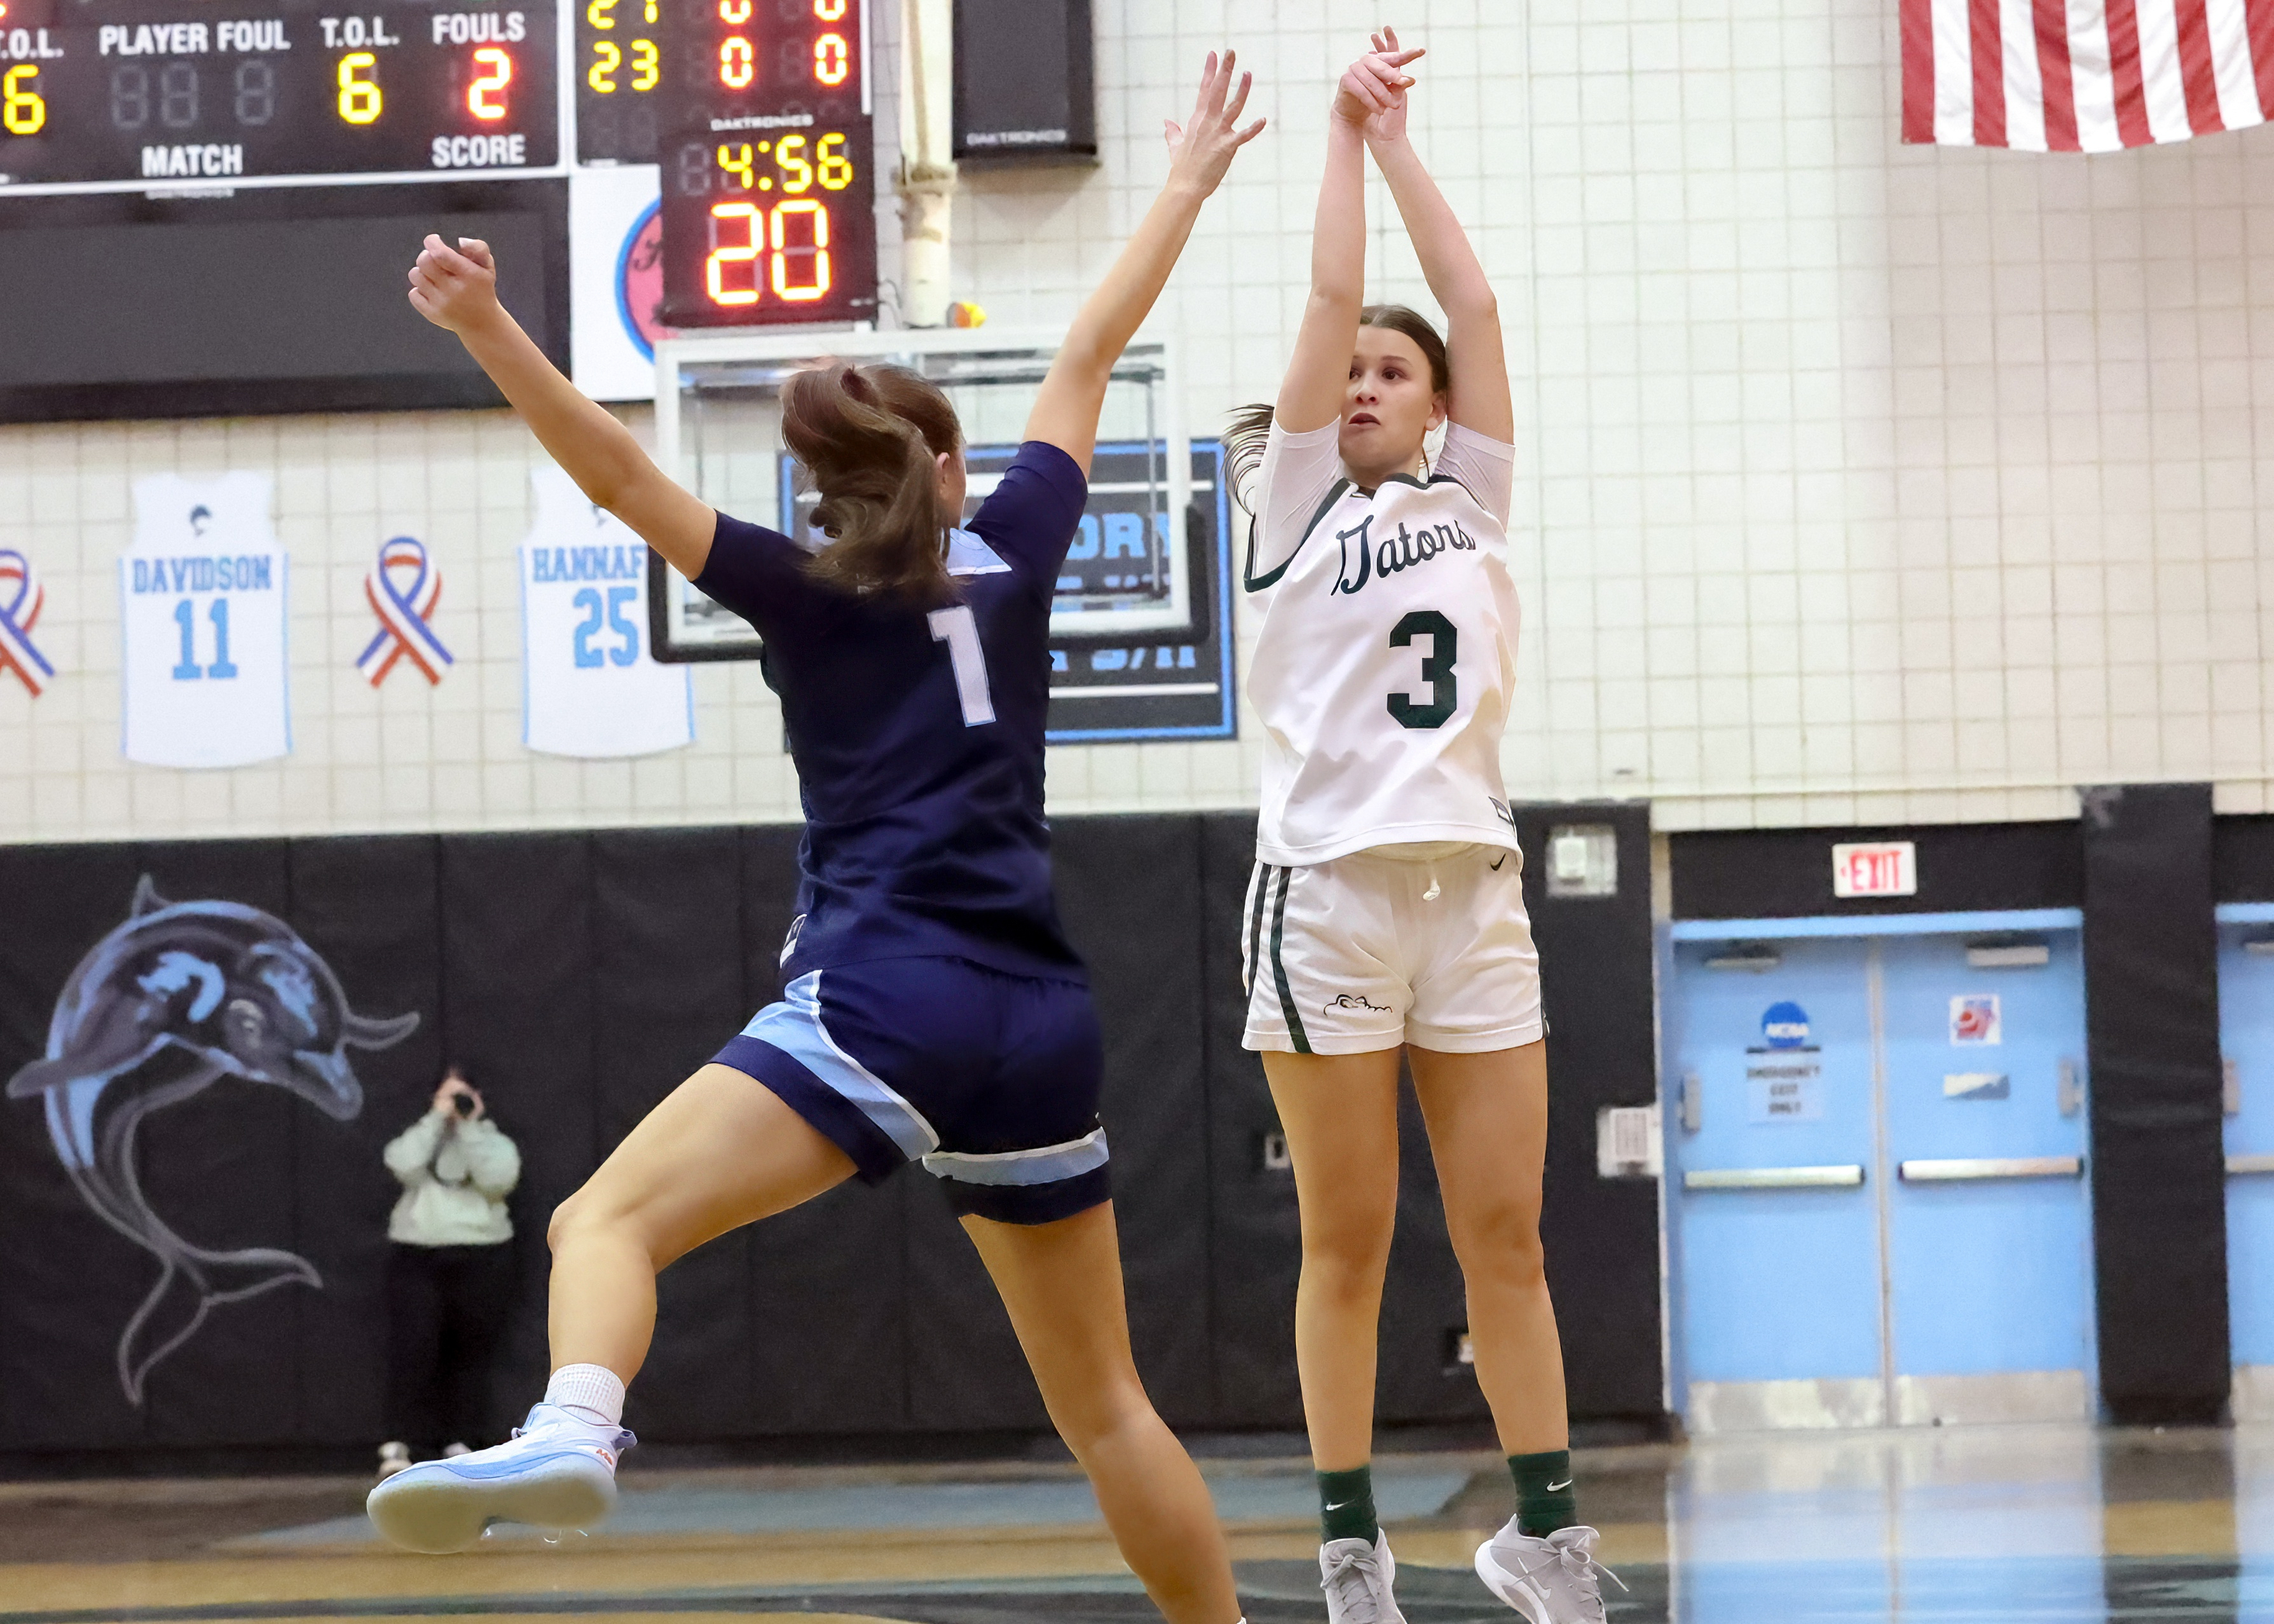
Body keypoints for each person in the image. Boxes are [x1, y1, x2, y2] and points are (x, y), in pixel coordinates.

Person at [366, 51, 1264, 1624]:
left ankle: (573, 1431)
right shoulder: (1022, 553)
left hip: (888, 990)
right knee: (1109, 1407)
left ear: (819, 493)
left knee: (600, 1220)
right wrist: (1184, 177)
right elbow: (1094, 344)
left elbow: (618, 469)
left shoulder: (803, 589)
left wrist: (485, 323)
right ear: (953, 467)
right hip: (1041, 1023)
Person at [1225, 32, 1613, 1624]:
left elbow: (1478, 309)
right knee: (1353, 1244)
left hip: (1475, 893)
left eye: (1399, 374)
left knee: (1506, 1235)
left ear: (1441, 415)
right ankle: (1348, 1542)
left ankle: (1545, 1535)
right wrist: (1335, 137)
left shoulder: (1473, 501)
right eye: (1354, 377)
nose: (1371, 383)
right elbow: (1334, 304)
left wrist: (1400, 145)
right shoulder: (1287, 507)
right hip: (1327, 898)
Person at [376, 1067, 521, 1478]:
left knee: (470, 1353)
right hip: (417, 1252)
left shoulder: (494, 1141)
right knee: (413, 1351)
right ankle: (399, 1444)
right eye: (447, 1095)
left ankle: (461, 1441)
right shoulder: (421, 1136)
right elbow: (401, 1164)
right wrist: (437, 1118)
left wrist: (469, 1126)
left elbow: (498, 1179)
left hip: (483, 1253)